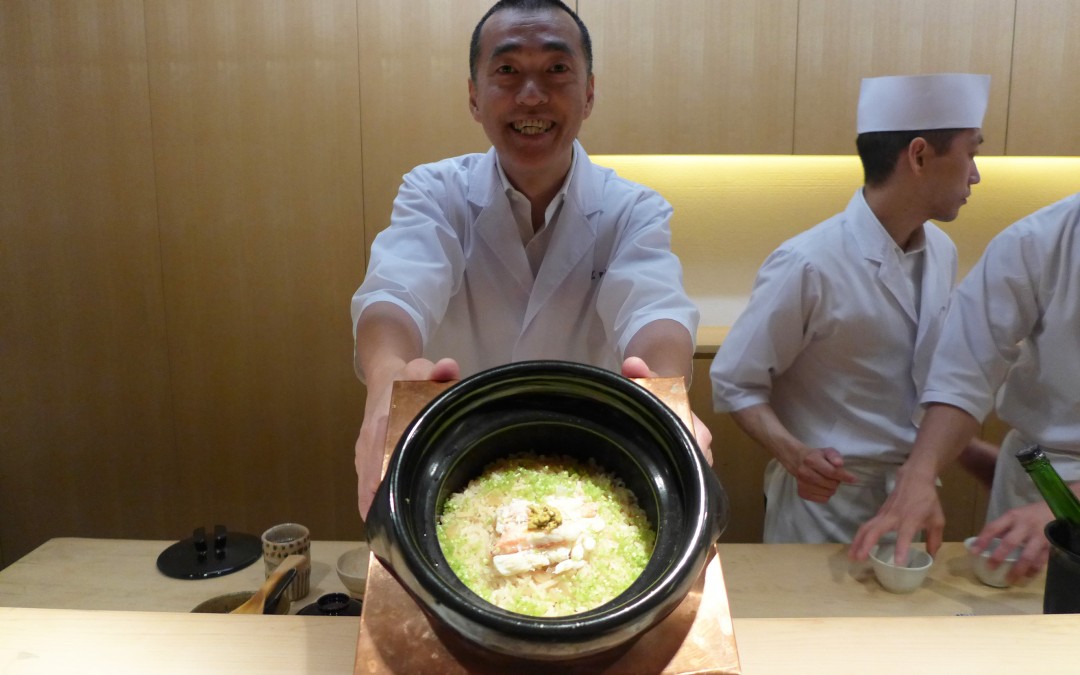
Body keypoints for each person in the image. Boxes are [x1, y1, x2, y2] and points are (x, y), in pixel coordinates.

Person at [350, 0, 707, 519]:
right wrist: (387, 382)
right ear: (474, 97)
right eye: (507, 70)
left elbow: (653, 309)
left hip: (590, 473)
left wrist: (665, 395)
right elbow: (395, 292)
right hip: (453, 465)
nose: (532, 95)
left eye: (557, 69)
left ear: (589, 93)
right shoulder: (434, 191)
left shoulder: (633, 208)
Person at [709, 73, 992, 543]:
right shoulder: (809, 262)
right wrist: (793, 453)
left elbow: (921, 379)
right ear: (919, 156)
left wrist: (955, 450)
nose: (976, 174)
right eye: (972, 153)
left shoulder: (941, 251)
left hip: (909, 497)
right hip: (823, 506)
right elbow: (735, 380)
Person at [851, 192, 1080, 581]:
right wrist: (920, 471)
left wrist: (1071, 501)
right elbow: (965, 370)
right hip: (1036, 489)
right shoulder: (1037, 240)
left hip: (1054, 498)